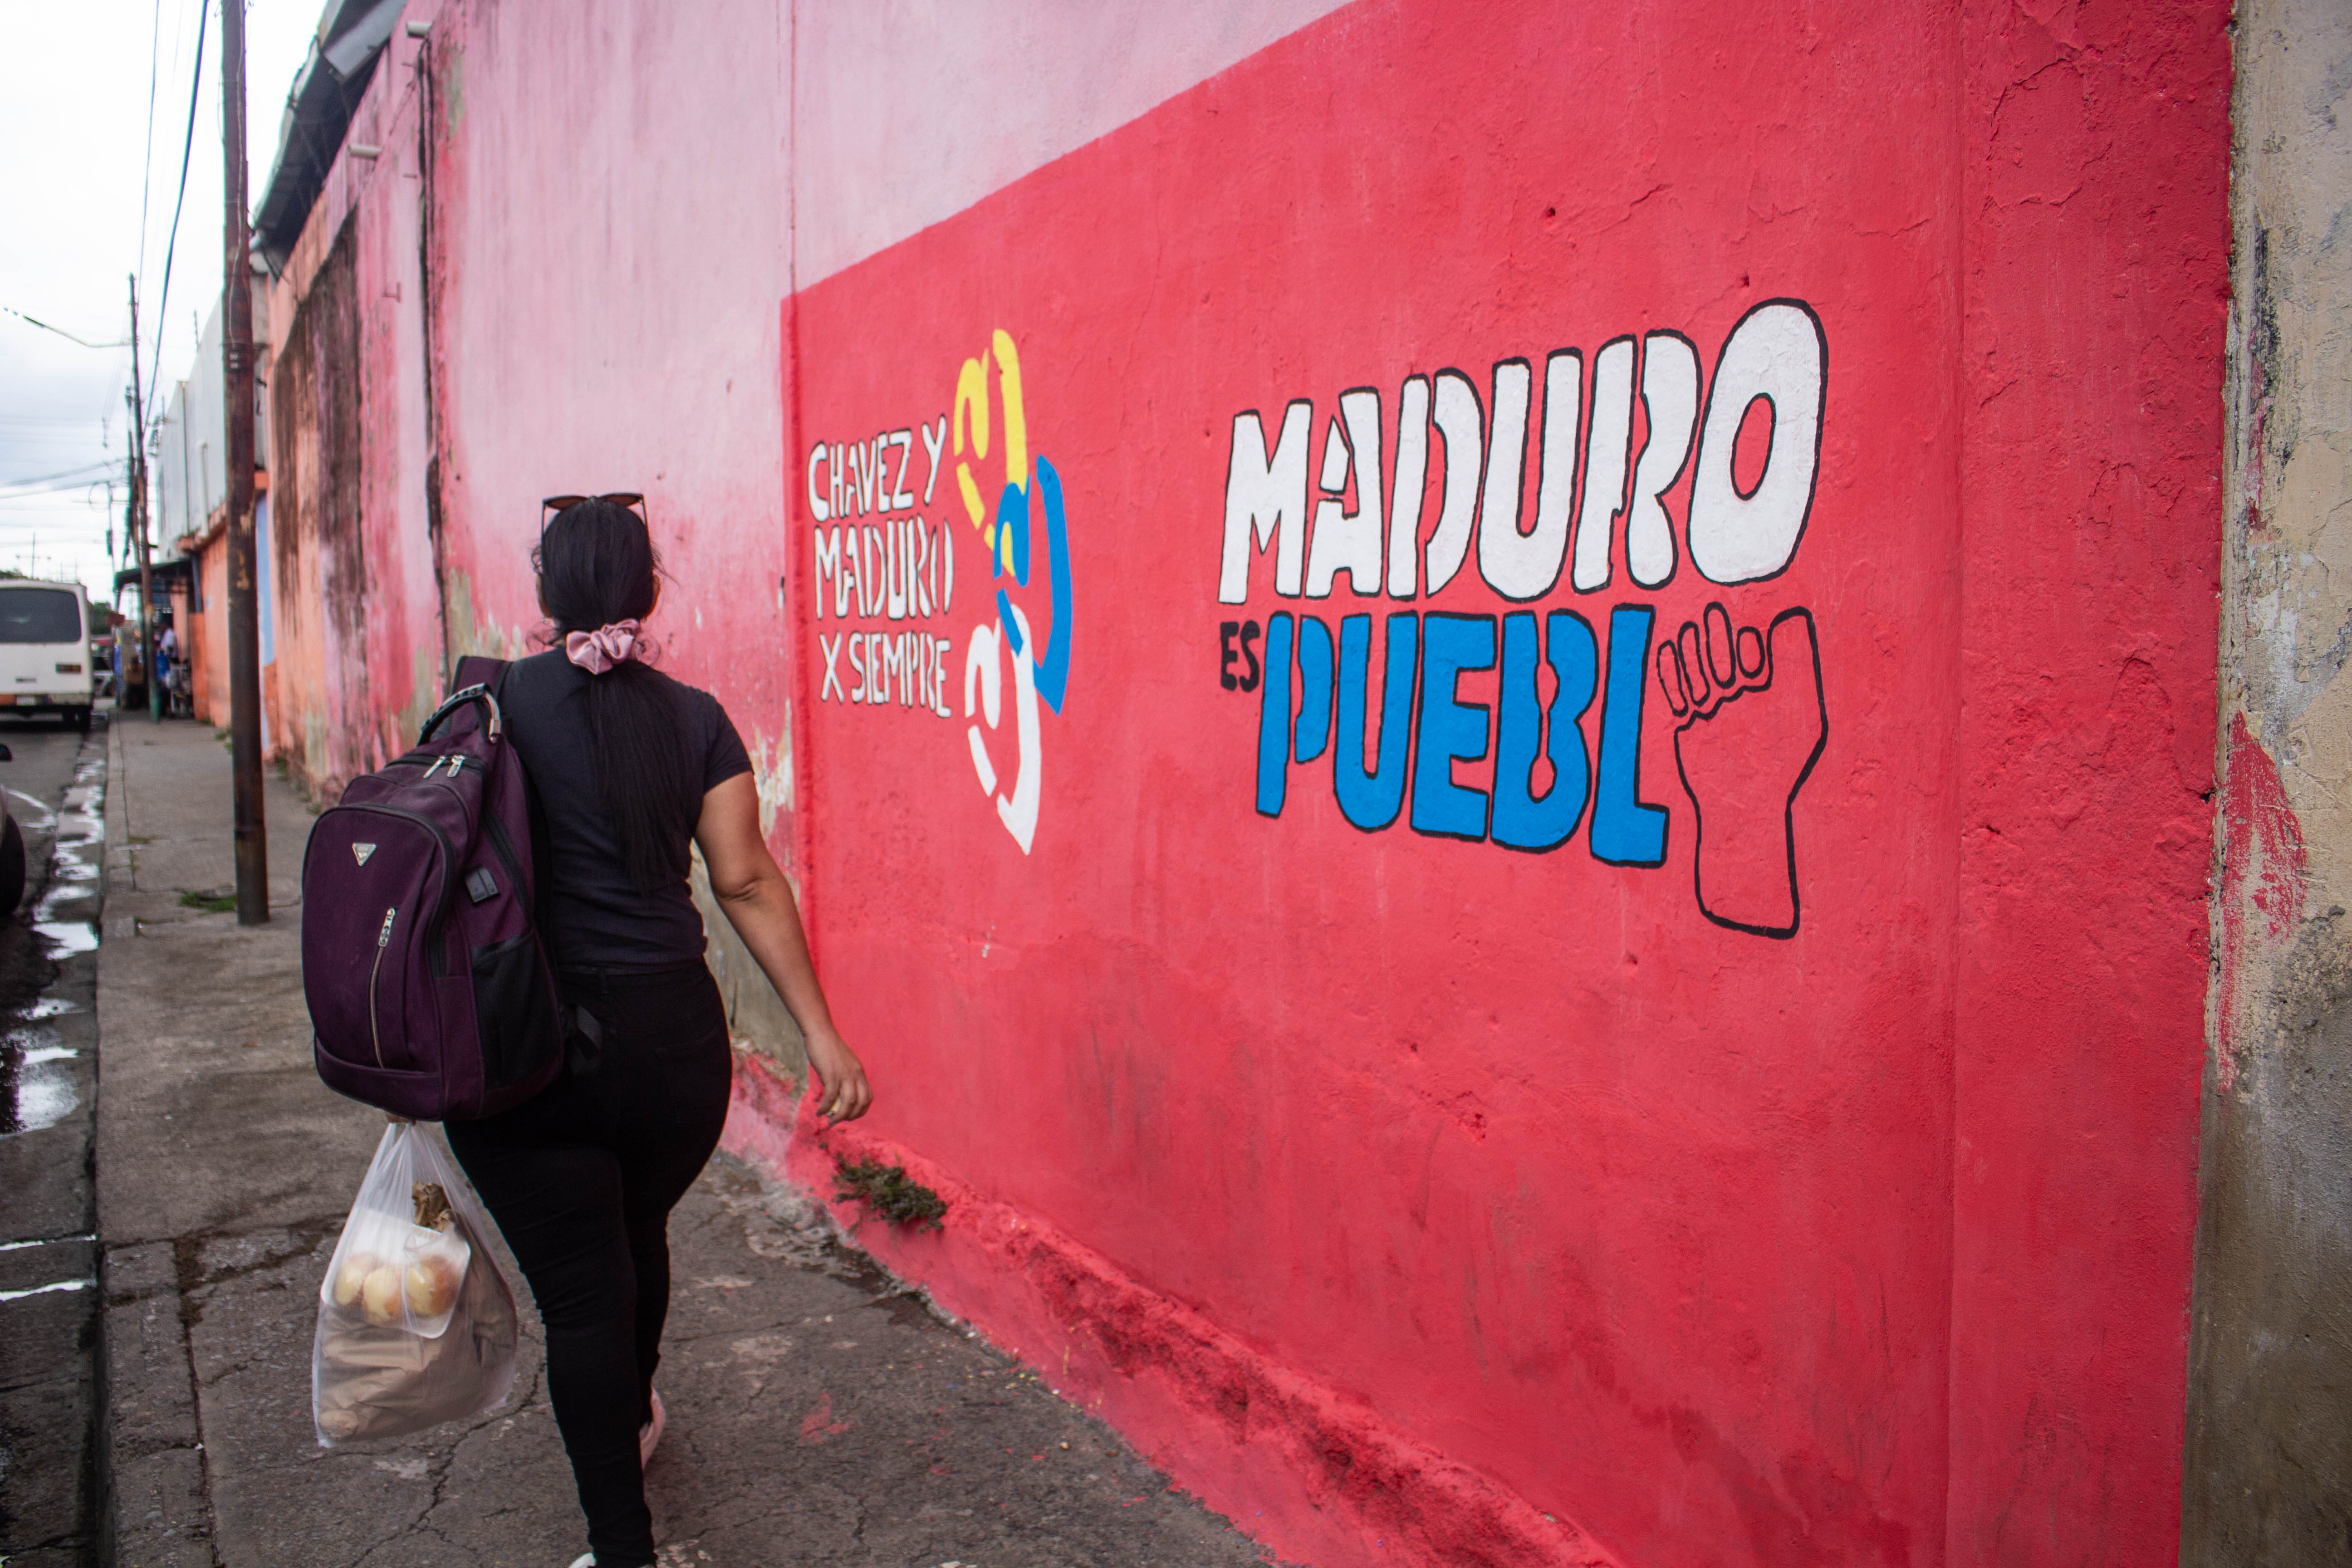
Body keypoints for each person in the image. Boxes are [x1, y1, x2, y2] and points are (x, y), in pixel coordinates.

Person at [441, 496, 872, 1568]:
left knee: (583, 1291)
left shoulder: (489, 704)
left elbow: (438, 860)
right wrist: (822, 1034)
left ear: (547, 596)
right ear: (647, 592)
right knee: (635, 1237)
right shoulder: (699, 718)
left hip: (526, 1048)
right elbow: (746, 880)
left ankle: (620, 1546)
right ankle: (632, 1416)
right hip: (675, 1055)